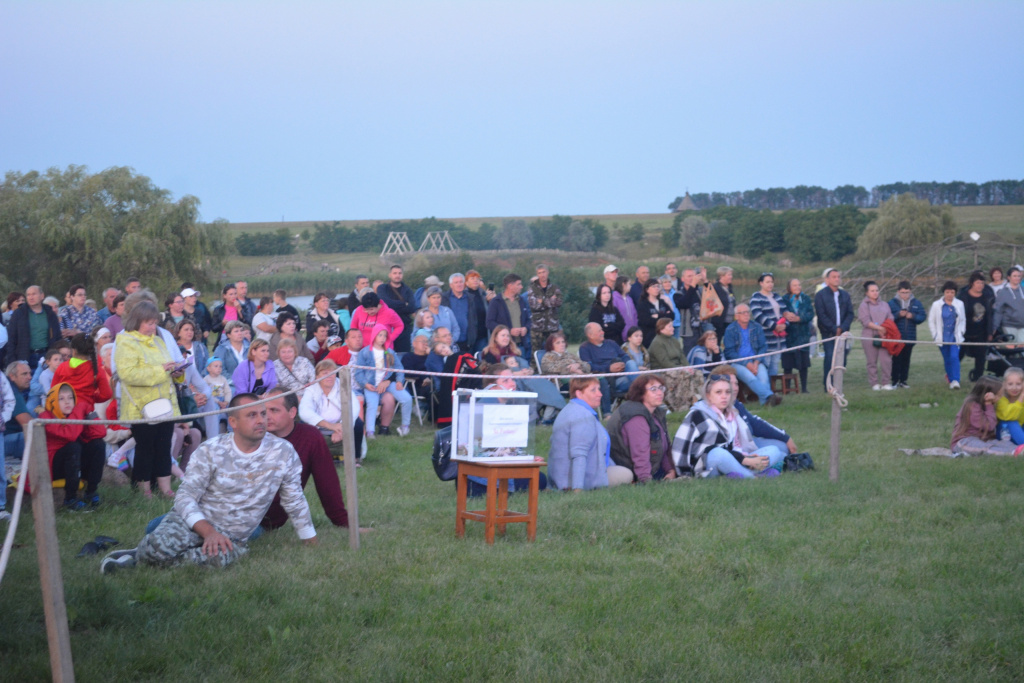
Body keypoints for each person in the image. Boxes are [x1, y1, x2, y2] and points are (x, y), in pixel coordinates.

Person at [100, 394, 318, 574]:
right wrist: (208, 531)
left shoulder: (283, 452)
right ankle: (145, 552)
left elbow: (294, 499)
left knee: (207, 562)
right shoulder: (211, 450)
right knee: (158, 548)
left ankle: (141, 557)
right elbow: (185, 498)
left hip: (234, 534)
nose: (261, 420)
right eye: (252, 415)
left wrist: (309, 538)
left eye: (263, 413)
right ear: (233, 422)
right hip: (196, 520)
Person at [112, 300, 181, 499]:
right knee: (145, 449)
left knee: (163, 447)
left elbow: (167, 367)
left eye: (154, 323)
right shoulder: (125, 342)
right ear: (137, 321)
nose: (153, 327)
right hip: (141, 407)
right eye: (149, 323)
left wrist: (177, 372)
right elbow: (128, 374)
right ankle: (145, 492)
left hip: (165, 404)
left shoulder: (159, 341)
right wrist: (162, 370)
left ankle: (166, 489)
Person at [262, 388, 353, 528]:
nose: (266, 416)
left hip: (265, 522)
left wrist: (343, 522)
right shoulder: (254, 435)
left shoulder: (310, 437)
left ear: (292, 412)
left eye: (274, 410)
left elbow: (327, 482)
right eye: (264, 411)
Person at [671, 374, 784, 479]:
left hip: (736, 458)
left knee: (774, 450)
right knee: (718, 454)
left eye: (727, 392)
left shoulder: (732, 414)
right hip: (707, 465)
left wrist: (748, 458)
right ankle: (754, 477)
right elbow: (679, 445)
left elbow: (736, 447)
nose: (724, 396)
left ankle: (737, 475)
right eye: (718, 392)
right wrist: (684, 474)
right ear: (708, 396)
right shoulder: (697, 415)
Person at [548, 377, 633, 490]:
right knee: (626, 474)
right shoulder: (581, 416)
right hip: (573, 481)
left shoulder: (572, 409)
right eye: (593, 390)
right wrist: (577, 489)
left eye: (599, 389)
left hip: (560, 479)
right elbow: (579, 455)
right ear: (579, 393)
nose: (600, 394)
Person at [40, 383, 106, 510]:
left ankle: (91, 492)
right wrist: (79, 410)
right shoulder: (46, 416)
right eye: (61, 399)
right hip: (53, 467)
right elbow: (69, 435)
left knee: (98, 445)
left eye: (70, 398)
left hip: (73, 463)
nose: (67, 402)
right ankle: (70, 499)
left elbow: (100, 433)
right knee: (73, 446)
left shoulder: (74, 413)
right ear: (53, 400)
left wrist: (89, 413)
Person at [482, 325, 566, 418]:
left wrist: (528, 371)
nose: (506, 338)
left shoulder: (514, 351)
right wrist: (517, 374)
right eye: (503, 335)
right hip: (506, 382)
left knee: (542, 381)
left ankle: (553, 405)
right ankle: (543, 410)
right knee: (526, 385)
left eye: (508, 336)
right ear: (495, 337)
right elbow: (492, 374)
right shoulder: (489, 353)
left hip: (524, 377)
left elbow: (523, 366)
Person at [606, 374, 676, 484]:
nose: (659, 393)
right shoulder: (636, 418)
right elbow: (640, 454)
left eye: (661, 388)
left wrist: (670, 470)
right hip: (632, 474)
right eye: (653, 389)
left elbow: (664, 447)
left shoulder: (655, 412)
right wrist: (647, 482)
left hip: (653, 468)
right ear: (640, 393)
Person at [354, 324, 414, 438]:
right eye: (380, 335)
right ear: (374, 336)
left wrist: (399, 381)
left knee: (407, 399)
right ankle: (370, 432)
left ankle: (405, 426)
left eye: (385, 336)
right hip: (370, 385)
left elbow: (399, 367)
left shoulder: (390, 352)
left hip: (388, 384)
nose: (382, 338)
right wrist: (365, 384)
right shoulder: (365, 352)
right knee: (372, 404)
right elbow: (358, 372)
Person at [299, 359, 365, 460]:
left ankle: (355, 458)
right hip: (321, 426)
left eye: (332, 372)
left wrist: (341, 429)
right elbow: (304, 411)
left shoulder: (343, 386)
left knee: (358, 423)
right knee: (301, 425)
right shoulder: (311, 390)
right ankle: (307, 457)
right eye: (325, 373)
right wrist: (331, 426)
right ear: (317, 376)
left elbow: (354, 408)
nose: (329, 376)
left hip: (341, 425)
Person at [723, 304, 779, 406]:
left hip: (756, 361)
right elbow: (729, 353)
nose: (746, 314)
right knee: (750, 377)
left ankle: (766, 402)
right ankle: (770, 396)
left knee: (764, 378)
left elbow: (763, 347)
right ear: (736, 316)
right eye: (742, 312)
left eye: (747, 312)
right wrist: (746, 363)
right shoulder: (730, 330)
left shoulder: (756, 327)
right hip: (738, 363)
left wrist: (756, 362)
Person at [952, 376, 1021, 456]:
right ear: (987, 395)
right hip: (964, 441)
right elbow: (989, 426)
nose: (1000, 398)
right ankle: (1013, 453)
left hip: (984, 439)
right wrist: (988, 404)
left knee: (1002, 443)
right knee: (985, 448)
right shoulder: (972, 405)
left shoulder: (986, 404)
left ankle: (1018, 449)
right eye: (998, 395)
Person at [578, 322, 638, 414]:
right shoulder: (585, 348)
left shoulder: (611, 343)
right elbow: (589, 366)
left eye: (602, 330)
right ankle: (642, 392)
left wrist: (622, 364)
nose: (603, 332)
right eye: (599, 331)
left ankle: (641, 386)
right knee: (642, 380)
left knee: (631, 363)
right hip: (610, 382)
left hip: (624, 373)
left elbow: (625, 356)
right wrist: (609, 368)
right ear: (590, 335)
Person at [648, 317, 702, 412]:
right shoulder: (657, 343)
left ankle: (698, 400)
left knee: (697, 373)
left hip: (677, 368)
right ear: (662, 328)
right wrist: (682, 369)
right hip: (662, 370)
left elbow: (682, 357)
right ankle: (682, 406)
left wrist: (688, 367)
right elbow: (664, 363)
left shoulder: (674, 341)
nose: (673, 328)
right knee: (684, 375)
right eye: (670, 326)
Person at [813, 267, 854, 390]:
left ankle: (838, 383)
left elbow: (850, 313)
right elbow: (821, 314)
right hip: (828, 333)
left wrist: (842, 327)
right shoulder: (820, 295)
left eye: (838, 277)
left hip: (843, 333)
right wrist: (833, 328)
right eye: (834, 277)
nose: (837, 279)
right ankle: (828, 385)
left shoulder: (845, 295)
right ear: (827, 279)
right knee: (830, 357)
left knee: (842, 359)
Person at [7, 285, 62, 370]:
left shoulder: (50, 314)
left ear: (42, 296)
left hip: (46, 356)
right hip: (25, 357)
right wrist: (12, 361)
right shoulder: (19, 314)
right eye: (28, 295)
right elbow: (11, 339)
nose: (31, 297)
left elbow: (58, 337)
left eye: (34, 294)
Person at [886, 280, 927, 389]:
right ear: (898, 292)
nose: (905, 295)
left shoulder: (916, 303)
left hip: (910, 337)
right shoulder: (892, 303)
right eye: (903, 292)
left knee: (906, 360)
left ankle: (903, 381)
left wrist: (912, 316)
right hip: (896, 337)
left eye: (907, 292)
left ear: (910, 292)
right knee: (896, 360)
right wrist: (898, 315)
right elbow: (888, 318)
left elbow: (922, 316)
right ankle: (894, 381)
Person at [748, 273, 790, 377]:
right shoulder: (756, 298)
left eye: (771, 282)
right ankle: (764, 387)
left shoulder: (777, 297)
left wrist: (785, 325)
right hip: (765, 336)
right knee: (765, 363)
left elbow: (785, 312)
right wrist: (774, 326)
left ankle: (773, 388)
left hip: (779, 338)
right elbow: (758, 315)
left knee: (775, 363)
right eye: (767, 282)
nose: (770, 284)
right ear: (761, 283)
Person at [928, 280, 966, 390]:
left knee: (954, 357)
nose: (950, 295)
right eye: (947, 292)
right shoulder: (936, 305)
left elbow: (963, 320)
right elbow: (931, 321)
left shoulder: (959, 304)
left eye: (952, 292)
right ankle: (950, 378)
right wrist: (935, 335)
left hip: (955, 337)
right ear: (944, 292)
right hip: (942, 337)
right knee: (947, 359)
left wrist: (961, 331)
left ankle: (956, 380)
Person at [858, 281, 895, 391]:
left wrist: (885, 328)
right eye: (872, 291)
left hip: (884, 335)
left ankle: (886, 382)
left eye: (877, 290)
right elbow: (865, 321)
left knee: (886, 360)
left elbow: (890, 317)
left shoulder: (885, 304)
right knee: (871, 361)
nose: (875, 293)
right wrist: (878, 328)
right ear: (867, 293)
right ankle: (874, 383)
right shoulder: (863, 305)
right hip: (869, 336)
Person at [958, 272, 993, 382]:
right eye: (978, 283)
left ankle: (978, 379)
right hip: (964, 331)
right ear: (972, 283)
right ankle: (952, 377)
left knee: (981, 357)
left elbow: (989, 316)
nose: (980, 285)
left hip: (981, 332)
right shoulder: (963, 296)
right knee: (958, 355)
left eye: (982, 283)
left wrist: (990, 332)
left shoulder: (987, 297)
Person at [377, 265, 417, 352]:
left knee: (403, 356)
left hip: (404, 329)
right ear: (390, 275)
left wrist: (393, 307)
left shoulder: (408, 290)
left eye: (400, 273)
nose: (397, 275)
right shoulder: (382, 288)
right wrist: (404, 304)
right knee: (384, 355)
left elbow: (411, 307)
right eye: (395, 273)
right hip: (386, 329)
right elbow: (385, 303)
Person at [527, 264, 563, 357]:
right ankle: (535, 370)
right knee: (535, 352)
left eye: (544, 272)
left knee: (554, 351)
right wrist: (550, 300)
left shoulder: (555, 287)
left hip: (552, 326)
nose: (542, 275)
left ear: (548, 272)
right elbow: (534, 305)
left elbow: (559, 302)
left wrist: (542, 301)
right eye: (539, 273)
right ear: (537, 274)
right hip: (537, 326)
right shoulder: (532, 288)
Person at [486, 273, 529, 348]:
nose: (521, 287)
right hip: (503, 346)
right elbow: (489, 323)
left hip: (521, 345)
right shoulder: (496, 301)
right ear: (510, 286)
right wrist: (508, 331)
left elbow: (529, 320)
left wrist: (526, 328)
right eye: (518, 284)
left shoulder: (522, 300)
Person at [4, 361, 33, 459]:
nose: (30, 377)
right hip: (4, 441)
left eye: (29, 373)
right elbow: (28, 424)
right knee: (37, 436)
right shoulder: (12, 392)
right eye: (24, 374)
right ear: (12, 376)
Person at [674, 268, 703, 356]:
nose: (692, 278)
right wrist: (693, 285)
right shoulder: (678, 294)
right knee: (689, 354)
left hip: (702, 328)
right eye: (689, 276)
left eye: (693, 276)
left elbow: (711, 299)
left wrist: (705, 280)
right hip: (688, 331)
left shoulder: (699, 291)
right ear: (682, 279)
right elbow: (684, 304)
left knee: (702, 353)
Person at [991, 266, 1024, 343]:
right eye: (1014, 276)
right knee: (1014, 348)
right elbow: (998, 311)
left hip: (1022, 325)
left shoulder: (1022, 290)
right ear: (1009, 277)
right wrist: (994, 327)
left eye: (1019, 276)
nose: (1017, 278)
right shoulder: (1002, 292)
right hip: (1009, 325)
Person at [636, 279, 672, 348]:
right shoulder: (643, 305)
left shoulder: (662, 302)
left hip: (664, 337)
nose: (656, 288)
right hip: (650, 339)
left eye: (658, 286)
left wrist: (658, 316)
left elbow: (672, 316)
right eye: (653, 287)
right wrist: (664, 316)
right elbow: (646, 321)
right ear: (647, 290)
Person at [216, 320, 250, 387]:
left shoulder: (250, 347)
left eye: (241, 330)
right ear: (228, 335)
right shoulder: (221, 349)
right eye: (236, 331)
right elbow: (220, 370)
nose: (240, 333)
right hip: (229, 384)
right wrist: (235, 382)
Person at [707, 266, 736, 344]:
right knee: (717, 342)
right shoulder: (715, 288)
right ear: (721, 276)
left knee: (730, 342)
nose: (731, 277)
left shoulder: (729, 288)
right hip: (718, 322)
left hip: (730, 321)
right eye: (729, 275)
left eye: (731, 275)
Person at [995, 367, 1024, 445]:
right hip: (1004, 432)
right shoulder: (1001, 398)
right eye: (1010, 384)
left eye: (1018, 384)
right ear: (1004, 384)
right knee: (1011, 422)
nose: (1014, 388)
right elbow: (1007, 416)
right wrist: (1021, 398)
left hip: (1020, 428)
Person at [612, 275, 639, 341]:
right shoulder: (614, 298)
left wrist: (636, 329)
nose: (631, 286)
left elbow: (634, 314)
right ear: (623, 284)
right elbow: (615, 316)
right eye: (629, 284)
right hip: (621, 334)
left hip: (633, 333)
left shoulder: (629, 298)